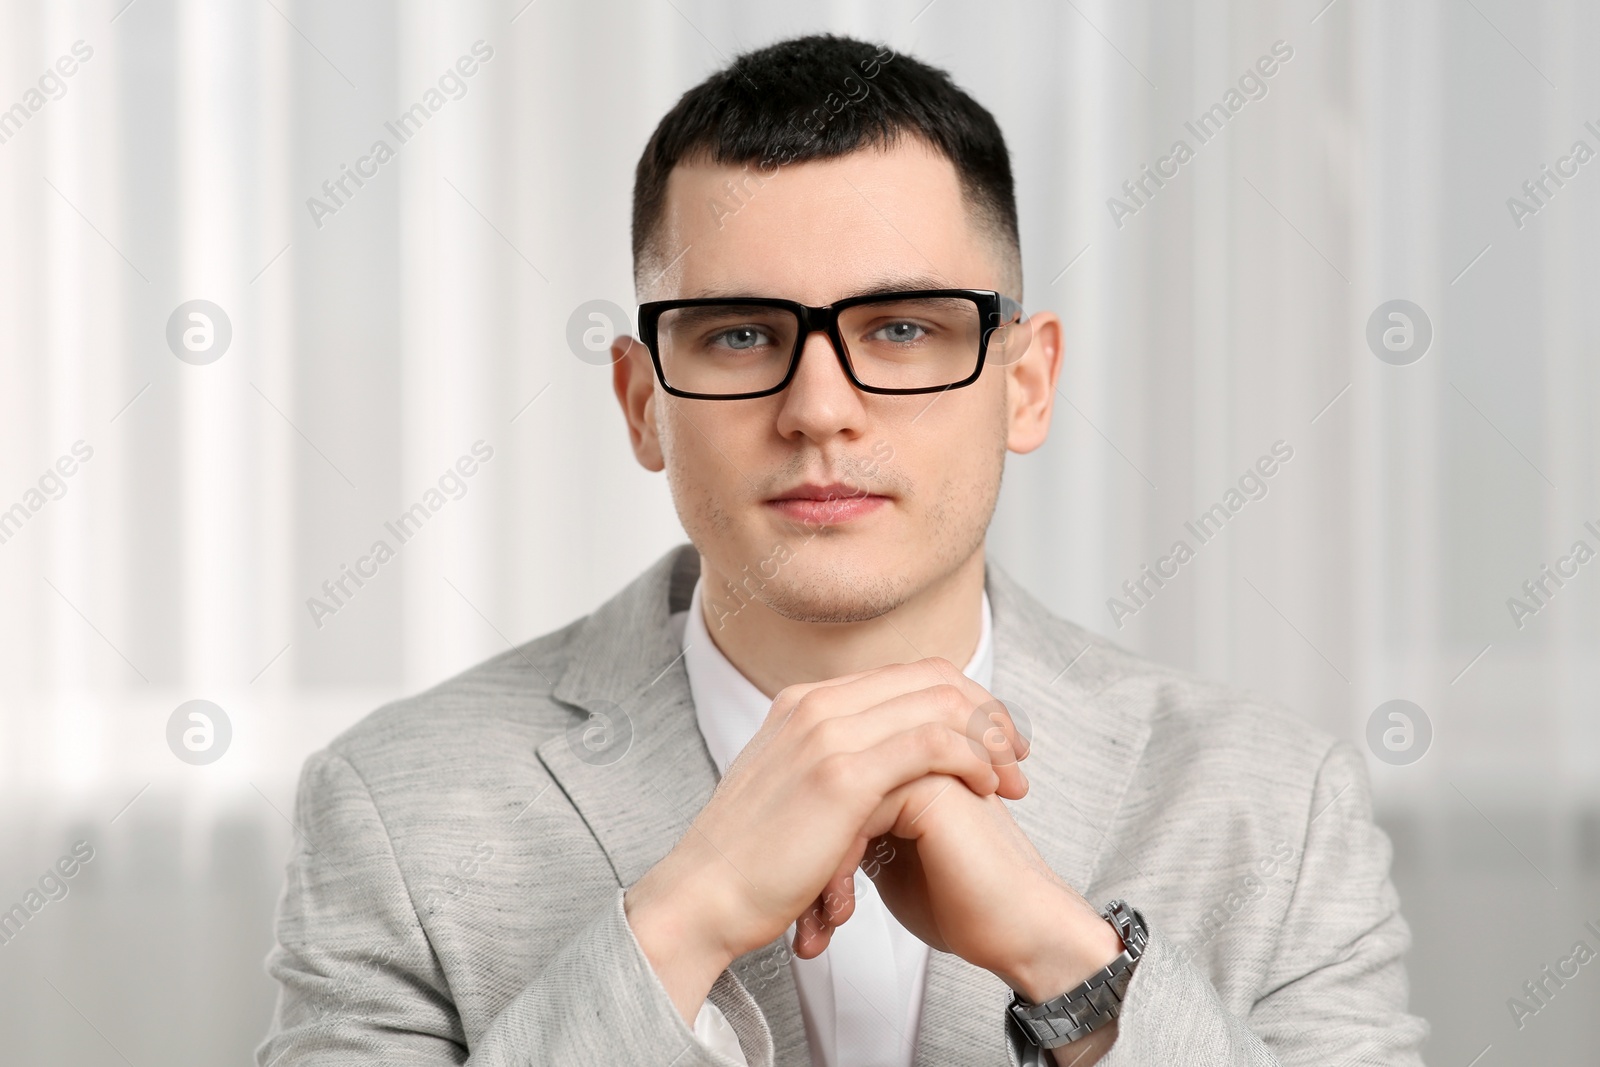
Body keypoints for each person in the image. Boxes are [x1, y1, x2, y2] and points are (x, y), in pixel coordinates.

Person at [258, 33, 1429, 1067]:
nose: (820, 407)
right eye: (738, 333)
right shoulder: (392, 805)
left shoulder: (1275, 805)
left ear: (1025, 384)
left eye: (904, 327)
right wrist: (685, 917)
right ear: (641, 402)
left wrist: (1068, 964)